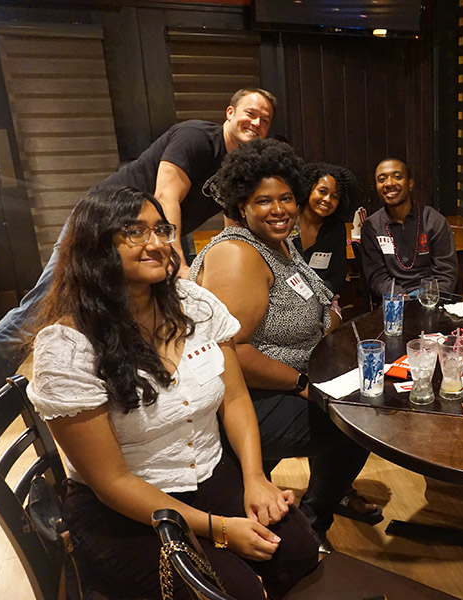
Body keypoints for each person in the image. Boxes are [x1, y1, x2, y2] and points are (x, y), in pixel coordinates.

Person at [25, 186, 318, 599]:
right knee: (234, 591)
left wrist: (255, 478)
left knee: (299, 553)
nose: (158, 244)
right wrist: (219, 530)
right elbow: (111, 481)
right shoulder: (68, 346)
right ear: (96, 248)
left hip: (212, 474)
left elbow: (234, 398)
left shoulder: (194, 303)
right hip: (125, 508)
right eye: (135, 232)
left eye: (161, 230)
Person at [0, 87, 276, 395]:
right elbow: (166, 195)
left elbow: (232, 220)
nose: (256, 123)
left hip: (145, 235)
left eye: (265, 119)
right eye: (251, 113)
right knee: (42, 308)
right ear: (230, 113)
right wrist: (175, 260)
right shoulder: (197, 138)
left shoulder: (236, 167)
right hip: (102, 221)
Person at [189, 138, 380, 552]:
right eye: (264, 201)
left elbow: (308, 299)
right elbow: (233, 353)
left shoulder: (280, 243)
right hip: (248, 399)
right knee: (360, 424)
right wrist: (302, 384)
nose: (279, 209)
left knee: (367, 395)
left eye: (287, 198)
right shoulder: (238, 255)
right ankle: (314, 521)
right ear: (241, 205)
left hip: (293, 381)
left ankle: (302, 514)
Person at [360, 158, 458, 297]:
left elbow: (446, 273)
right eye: (382, 180)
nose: (389, 183)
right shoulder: (372, 226)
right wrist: (398, 297)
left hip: (431, 297)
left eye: (397, 177)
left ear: (410, 183)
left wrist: (428, 297)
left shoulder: (434, 221)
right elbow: (377, 276)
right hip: (394, 298)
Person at [290, 162, 354, 296]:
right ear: (309, 189)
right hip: (285, 298)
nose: (327, 199)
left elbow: (337, 276)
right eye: (322, 192)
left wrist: (315, 298)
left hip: (322, 297)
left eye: (334, 196)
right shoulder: (287, 220)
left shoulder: (336, 229)